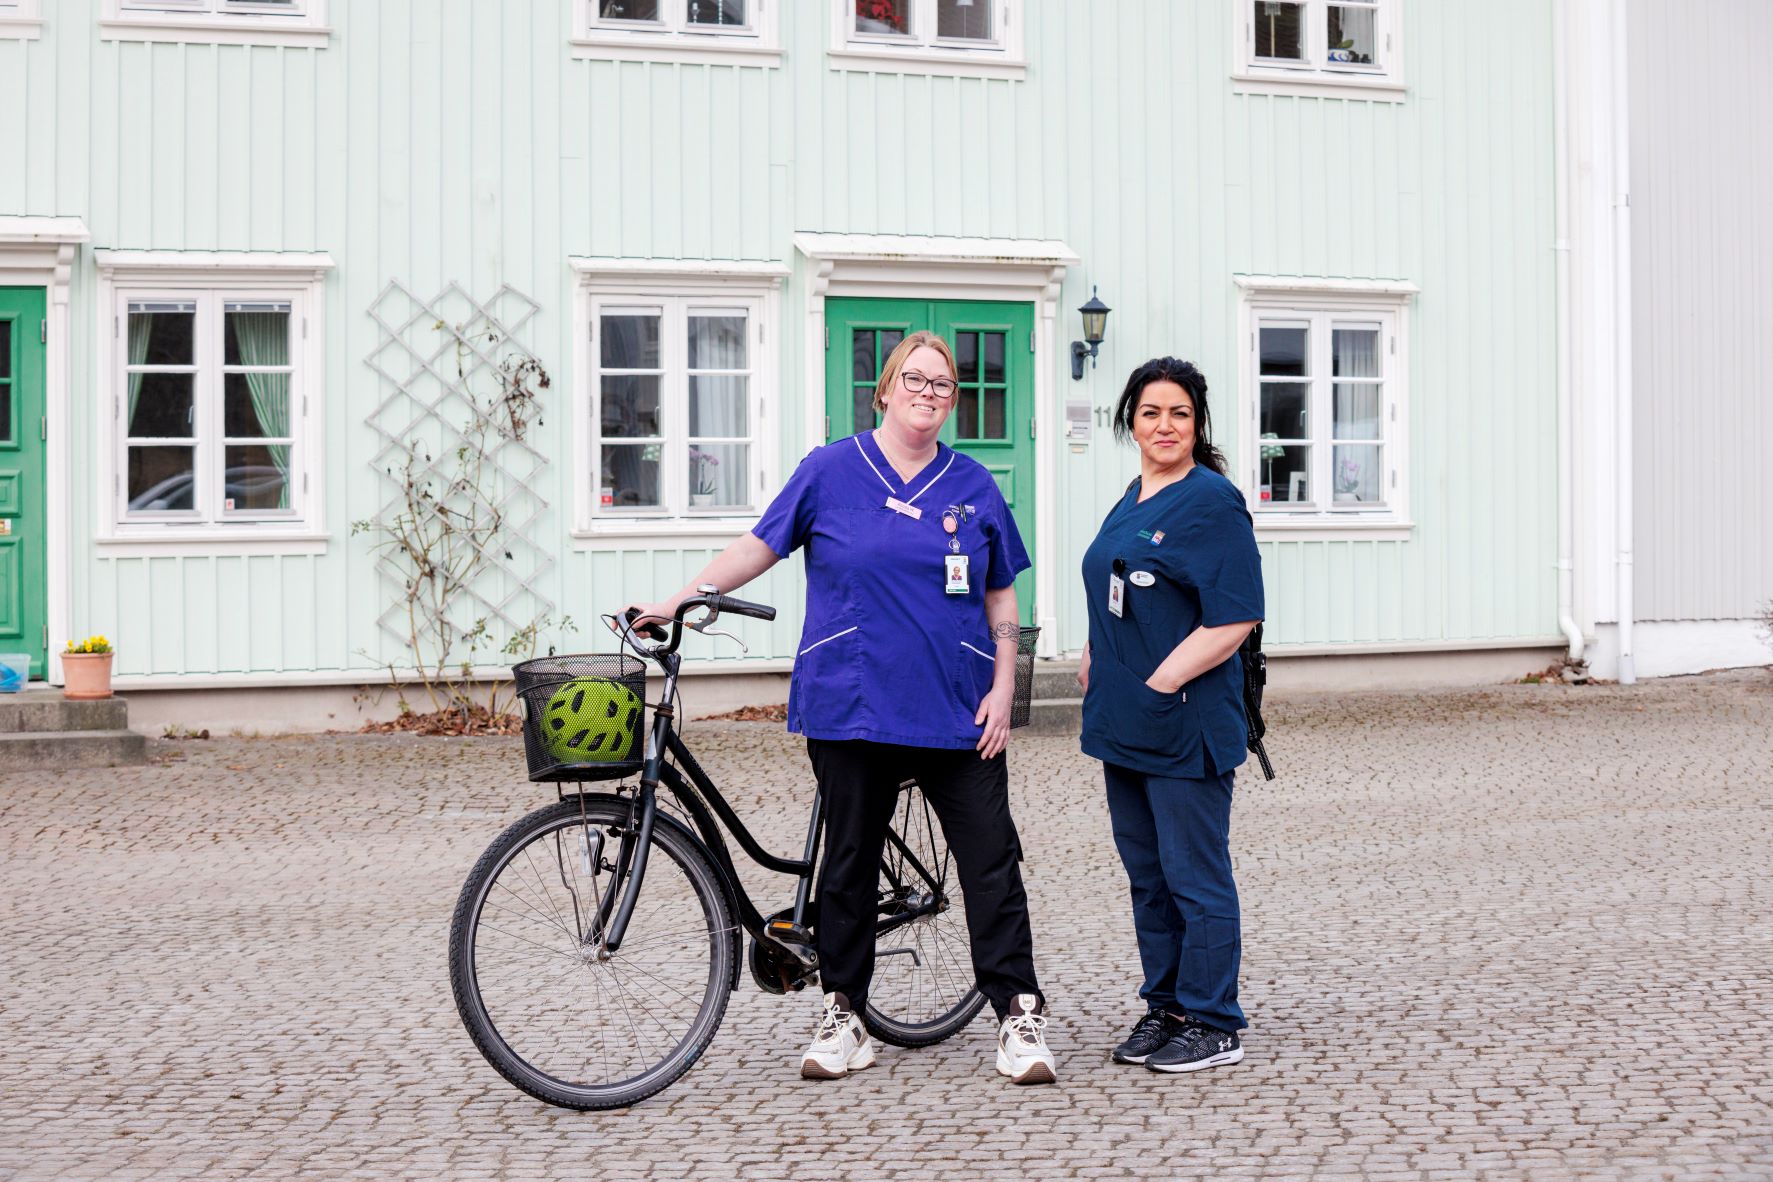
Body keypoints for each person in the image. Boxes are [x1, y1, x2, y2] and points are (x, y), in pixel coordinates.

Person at [624, 331, 1057, 1085]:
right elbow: (757, 547)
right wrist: (675, 600)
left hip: (956, 706)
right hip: (851, 703)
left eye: (942, 385)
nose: (928, 394)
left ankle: (1017, 1015)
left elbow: (1000, 593)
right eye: (914, 380)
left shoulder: (973, 485)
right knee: (848, 861)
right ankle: (844, 1013)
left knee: (991, 861)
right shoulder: (828, 471)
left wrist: (1002, 685)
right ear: (884, 390)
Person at [1077, 356, 1264, 1074]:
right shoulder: (1133, 494)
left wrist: (1159, 683)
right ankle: (1168, 1007)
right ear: (1131, 420)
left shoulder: (1211, 502)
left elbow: (1234, 617)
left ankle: (1214, 1021)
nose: (1164, 425)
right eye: (1151, 412)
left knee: (1194, 876)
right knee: (1148, 878)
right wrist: (1095, 654)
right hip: (1121, 719)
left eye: (1179, 414)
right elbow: (1115, 583)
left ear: (1197, 423)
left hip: (1182, 719)